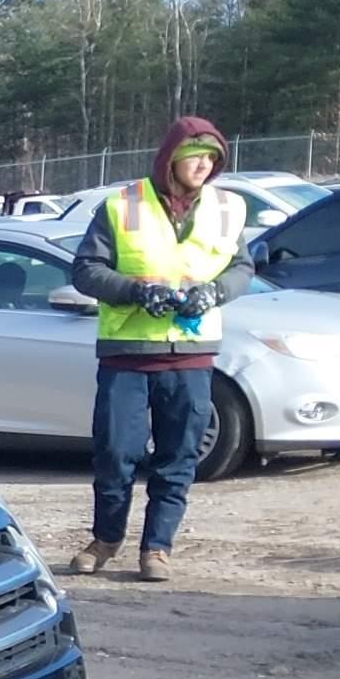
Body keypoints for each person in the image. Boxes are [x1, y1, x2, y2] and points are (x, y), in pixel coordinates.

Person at [64, 116, 251, 582]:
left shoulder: (228, 208)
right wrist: (134, 290)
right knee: (115, 453)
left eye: (212, 159)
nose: (205, 166)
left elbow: (241, 266)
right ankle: (106, 539)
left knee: (178, 455)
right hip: (127, 352)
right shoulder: (121, 205)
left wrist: (216, 291)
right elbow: (86, 270)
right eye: (195, 158)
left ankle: (157, 548)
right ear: (171, 159)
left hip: (191, 353)